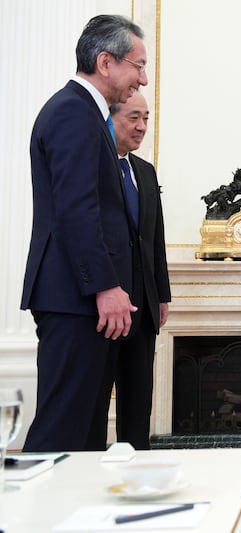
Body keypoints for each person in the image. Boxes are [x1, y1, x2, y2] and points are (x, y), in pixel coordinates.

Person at [21, 14, 148, 452]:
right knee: (62, 434)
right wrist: (107, 286)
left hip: (82, 298)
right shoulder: (73, 113)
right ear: (106, 61)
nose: (142, 79)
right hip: (75, 300)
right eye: (138, 65)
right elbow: (78, 211)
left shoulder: (85, 114)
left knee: (86, 438)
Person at [107, 91, 171, 449]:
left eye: (146, 118)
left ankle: (137, 470)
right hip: (103, 309)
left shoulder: (145, 172)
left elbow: (154, 240)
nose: (142, 127)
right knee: (96, 402)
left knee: (137, 404)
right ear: (110, 116)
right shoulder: (96, 166)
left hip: (143, 309)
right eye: (134, 117)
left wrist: (161, 295)